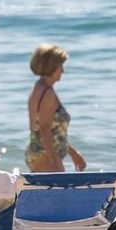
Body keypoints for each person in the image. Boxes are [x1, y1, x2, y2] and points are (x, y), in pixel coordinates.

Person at [24, 43, 86, 173]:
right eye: (60, 66)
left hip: (40, 152)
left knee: (42, 193)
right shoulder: (47, 93)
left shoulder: (38, 88)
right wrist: (54, 161)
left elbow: (54, 132)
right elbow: (44, 129)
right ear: (51, 66)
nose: (62, 70)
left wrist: (73, 153)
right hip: (46, 155)